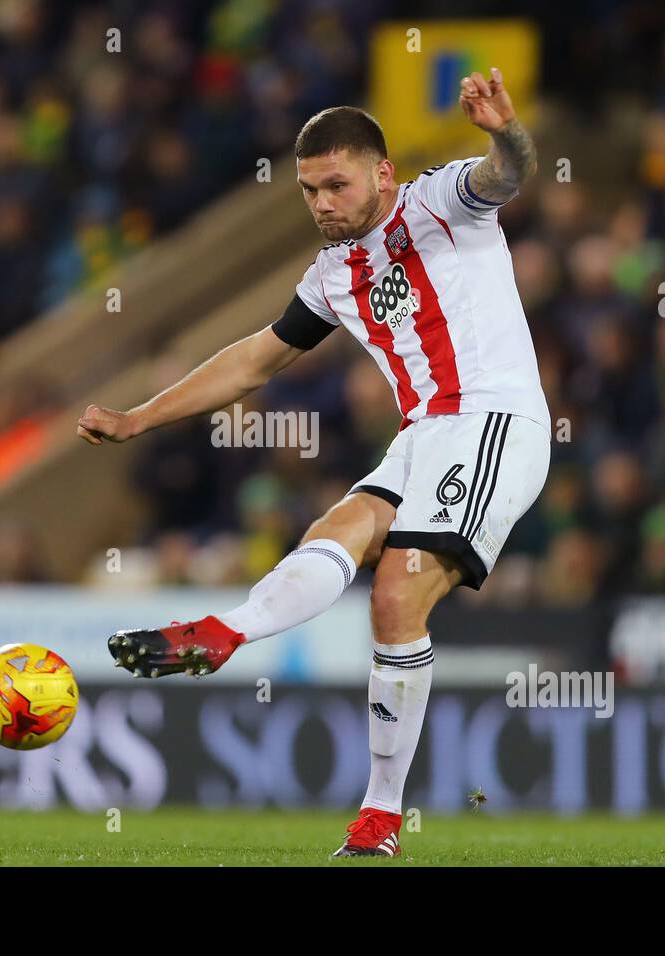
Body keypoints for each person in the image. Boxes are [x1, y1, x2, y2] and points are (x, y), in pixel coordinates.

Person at [77, 69, 550, 857]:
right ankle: (225, 631)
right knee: (338, 527)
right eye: (309, 190)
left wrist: (503, 132)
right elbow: (251, 363)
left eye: (337, 184)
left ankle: (380, 819)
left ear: (382, 173)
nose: (323, 203)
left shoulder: (438, 202)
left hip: (496, 419)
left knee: (396, 596)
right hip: (426, 433)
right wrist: (138, 419)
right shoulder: (334, 275)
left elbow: (509, 174)